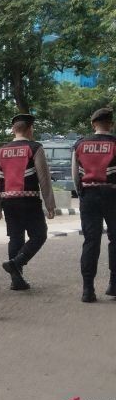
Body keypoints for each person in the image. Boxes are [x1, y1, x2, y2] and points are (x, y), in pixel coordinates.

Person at [0, 114, 55, 291]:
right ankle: (17, 262)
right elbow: (44, 179)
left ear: (13, 129)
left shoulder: (1, 151)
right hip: (29, 200)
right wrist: (50, 204)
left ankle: (16, 280)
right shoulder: (35, 148)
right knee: (39, 235)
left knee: (15, 237)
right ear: (30, 129)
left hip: (8, 201)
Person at [71, 107, 116, 303]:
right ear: (111, 124)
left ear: (93, 124)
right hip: (112, 195)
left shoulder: (80, 144)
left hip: (88, 195)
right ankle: (114, 284)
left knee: (91, 240)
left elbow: (75, 174)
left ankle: (88, 289)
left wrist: (81, 193)